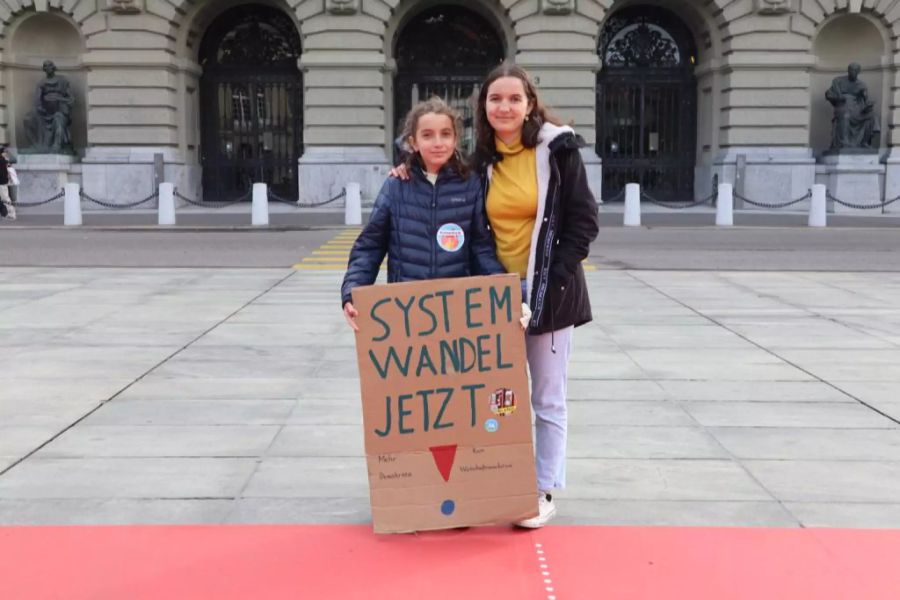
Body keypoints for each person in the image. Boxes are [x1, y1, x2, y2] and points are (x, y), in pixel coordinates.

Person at [395, 65, 600, 527]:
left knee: (547, 398)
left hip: (549, 293)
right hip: (493, 296)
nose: (504, 108)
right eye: (494, 100)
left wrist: (552, 280)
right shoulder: (482, 160)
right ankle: (491, 483)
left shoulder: (558, 151)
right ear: (483, 108)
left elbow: (583, 223)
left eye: (513, 98)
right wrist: (406, 168)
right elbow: (434, 164)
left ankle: (542, 488)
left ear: (529, 103)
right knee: (494, 399)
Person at [341, 96, 505, 330]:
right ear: (413, 142)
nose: (438, 143)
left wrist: (503, 291)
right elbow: (370, 246)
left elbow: (481, 247)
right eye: (427, 135)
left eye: (445, 134)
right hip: (407, 311)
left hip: (456, 311)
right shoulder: (396, 186)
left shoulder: (470, 185)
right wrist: (351, 292)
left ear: (456, 139)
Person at [24, 60, 75, 154]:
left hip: (60, 110)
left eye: (50, 66)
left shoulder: (62, 81)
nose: (48, 68)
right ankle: (37, 145)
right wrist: (40, 108)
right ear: (44, 69)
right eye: (46, 66)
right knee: (28, 119)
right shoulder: (41, 83)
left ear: (54, 67)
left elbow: (71, 98)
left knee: (58, 119)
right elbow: (38, 99)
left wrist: (61, 101)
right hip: (45, 112)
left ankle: (57, 146)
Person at [825, 62, 880, 150]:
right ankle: (844, 143)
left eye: (855, 70)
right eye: (851, 70)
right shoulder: (838, 81)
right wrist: (838, 98)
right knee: (845, 115)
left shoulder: (862, 85)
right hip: (842, 106)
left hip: (856, 109)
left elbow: (865, 101)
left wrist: (868, 105)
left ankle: (864, 142)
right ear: (848, 70)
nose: (852, 72)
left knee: (872, 116)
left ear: (858, 72)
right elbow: (828, 94)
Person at [0, 146, 15, 221]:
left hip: (1, 182)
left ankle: (11, 213)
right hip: (2, 182)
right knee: (4, 198)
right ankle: (7, 213)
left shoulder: (2, 160)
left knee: (5, 198)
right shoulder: (4, 160)